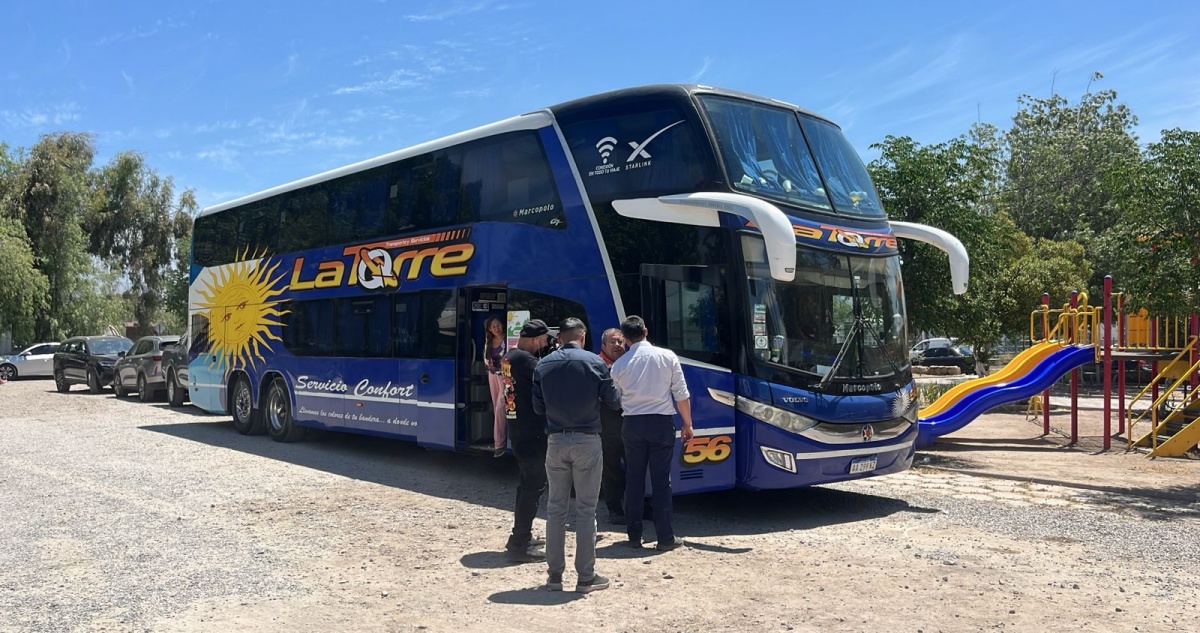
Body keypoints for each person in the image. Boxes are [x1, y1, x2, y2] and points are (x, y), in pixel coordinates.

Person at [532, 317, 621, 593]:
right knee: (586, 510)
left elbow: (537, 408)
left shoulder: (543, 364)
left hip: (556, 441)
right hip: (587, 441)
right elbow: (615, 401)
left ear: (559, 337)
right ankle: (585, 578)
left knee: (555, 509)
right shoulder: (595, 363)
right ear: (582, 337)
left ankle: (554, 577)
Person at [609, 315, 692, 552]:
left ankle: (634, 535)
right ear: (646, 331)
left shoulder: (619, 365)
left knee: (634, 479)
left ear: (624, 339)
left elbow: (615, 400)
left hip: (632, 424)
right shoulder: (667, 356)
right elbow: (681, 394)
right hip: (661, 423)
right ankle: (665, 537)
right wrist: (688, 424)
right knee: (661, 480)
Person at [502, 319, 553, 563]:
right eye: (544, 341)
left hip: (517, 428)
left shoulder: (509, 355)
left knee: (526, 486)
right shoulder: (526, 360)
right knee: (533, 487)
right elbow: (550, 375)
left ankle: (520, 536)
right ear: (535, 339)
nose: (545, 345)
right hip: (531, 432)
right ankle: (519, 544)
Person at [597, 327, 628, 524]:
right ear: (603, 346)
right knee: (611, 468)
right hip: (606, 421)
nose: (617, 345)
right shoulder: (596, 364)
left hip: (630, 420)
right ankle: (614, 510)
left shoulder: (629, 362)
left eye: (620, 342)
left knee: (637, 466)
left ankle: (642, 507)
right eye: (613, 342)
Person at [483, 315, 508, 457]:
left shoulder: (508, 339)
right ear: (489, 329)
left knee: (500, 407)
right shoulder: (489, 340)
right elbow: (486, 358)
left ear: (503, 325)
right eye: (493, 326)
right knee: (496, 408)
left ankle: (500, 443)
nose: (496, 328)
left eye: (498, 325)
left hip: (505, 376)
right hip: (492, 375)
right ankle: (498, 440)